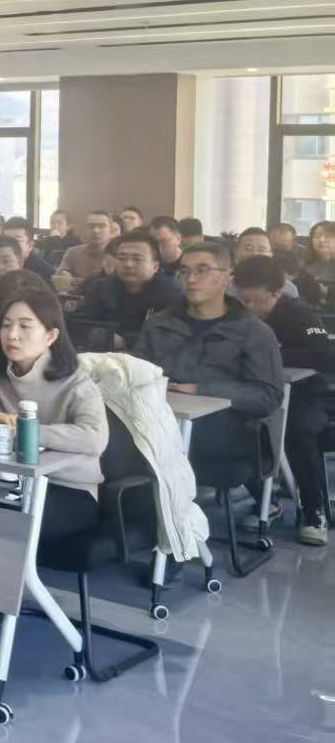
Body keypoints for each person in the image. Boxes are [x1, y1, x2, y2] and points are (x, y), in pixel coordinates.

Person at [0, 286, 108, 674]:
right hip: (8, 486)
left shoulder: (75, 381)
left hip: (69, 493)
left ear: (51, 335)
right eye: (6, 325)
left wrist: (24, 429)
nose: (12, 335)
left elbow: (94, 438)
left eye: (25, 326)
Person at [135, 242, 285, 484]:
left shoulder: (253, 332)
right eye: (184, 271)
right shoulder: (159, 324)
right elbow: (137, 375)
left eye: (202, 270)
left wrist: (200, 389)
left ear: (227, 278)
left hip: (224, 431)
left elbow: (267, 396)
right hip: (160, 421)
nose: (191, 279)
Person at [232, 256, 335, 545]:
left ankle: (313, 510)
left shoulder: (299, 312)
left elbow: (326, 356)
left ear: (277, 293)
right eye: (243, 300)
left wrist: (270, 355)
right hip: (257, 392)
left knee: (299, 431)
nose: (249, 307)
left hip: (306, 393)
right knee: (231, 429)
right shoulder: (232, 312)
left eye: (256, 301)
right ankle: (267, 500)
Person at [76, 229, 182, 347]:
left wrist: (125, 341)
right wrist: (108, 337)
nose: (128, 264)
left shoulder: (170, 291)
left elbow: (173, 334)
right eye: (122, 258)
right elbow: (78, 325)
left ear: (155, 266)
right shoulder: (102, 287)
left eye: (137, 259)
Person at [51, 210, 112, 294]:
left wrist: (74, 281)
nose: (96, 230)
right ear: (85, 229)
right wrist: (63, 276)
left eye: (101, 226)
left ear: (111, 230)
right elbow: (59, 279)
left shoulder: (117, 256)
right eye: (91, 226)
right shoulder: (72, 252)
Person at [234, 228, 300, 299]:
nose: (255, 254)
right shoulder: (226, 285)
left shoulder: (287, 289)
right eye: (248, 249)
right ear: (236, 252)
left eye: (261, 249)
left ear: (271, 254)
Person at [1, 217, 56, 281]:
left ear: (30, 246)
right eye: (6, 240)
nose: (9, 245)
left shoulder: (45, 273)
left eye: (16, 240)